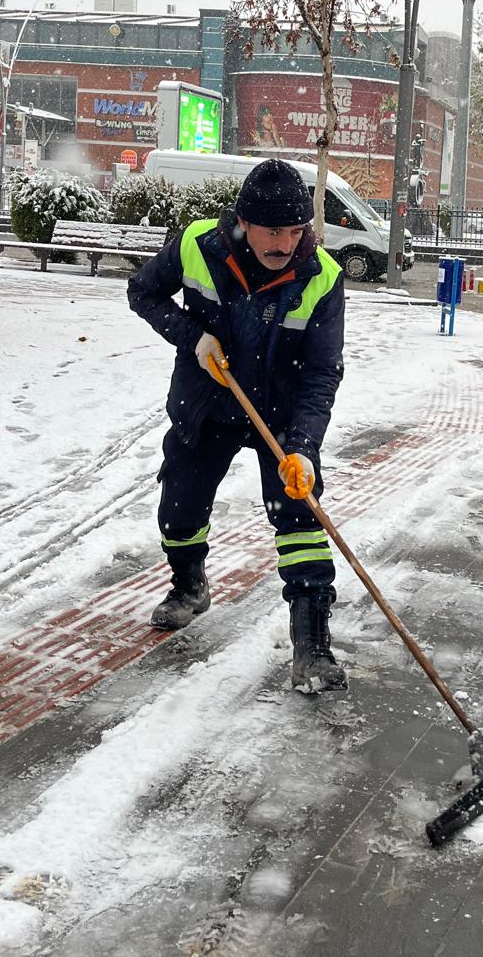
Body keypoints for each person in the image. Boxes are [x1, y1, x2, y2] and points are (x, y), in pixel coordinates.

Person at [127, 159, 348, 692]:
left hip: (283, 415)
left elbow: (322, 373)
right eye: (272, 231)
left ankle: (312, 645)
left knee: (300, 515)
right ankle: (189, 584)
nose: (284, 244)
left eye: (295, 232)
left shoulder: (322, 276)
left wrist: (304, 450)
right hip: (209, 403)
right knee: (179, 512)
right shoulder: (196, 247)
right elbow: (144, 293)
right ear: (244, 222)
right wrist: (192, 337)